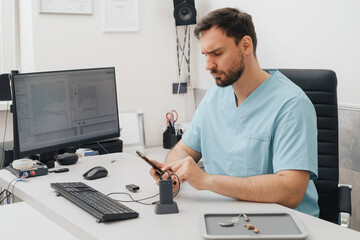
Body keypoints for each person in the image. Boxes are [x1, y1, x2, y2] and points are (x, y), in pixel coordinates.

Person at [150, 7, 319, 217]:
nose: (208, 65)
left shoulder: (292, 104)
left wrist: (206, 181)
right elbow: (184, 149)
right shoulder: (214, 96)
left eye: (217, 54)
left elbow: (291, 191)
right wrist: (171, 171)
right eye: (205, 55)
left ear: (246, 45)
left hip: (281, 222)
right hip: (223, 215)